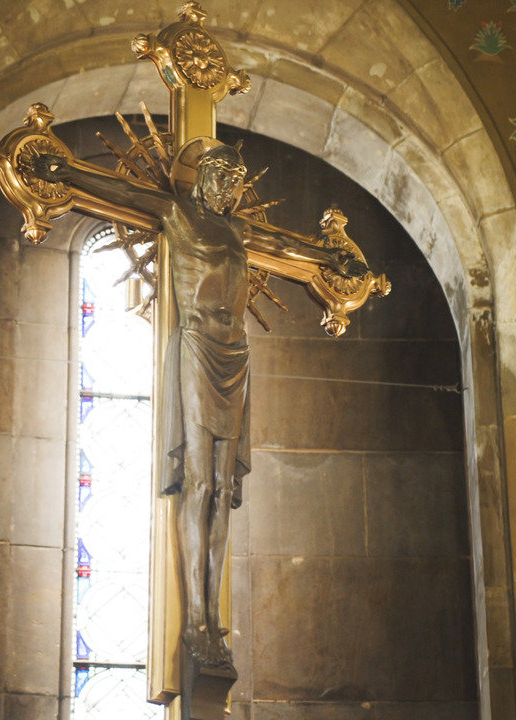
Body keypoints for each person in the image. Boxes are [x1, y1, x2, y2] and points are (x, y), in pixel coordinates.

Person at [31, 144, 366, 668]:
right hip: (196, 346)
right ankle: (195, 617)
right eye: (222, 179)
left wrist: (331, 256)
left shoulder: (241, 231)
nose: (229, 190)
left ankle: (215, 618)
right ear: (204, 178)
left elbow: (286, 243)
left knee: (226, 484)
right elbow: (120, 190)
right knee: (201, 482)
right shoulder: (175, 211)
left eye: (236, 183)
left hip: (235, 356)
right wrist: (66, 170)